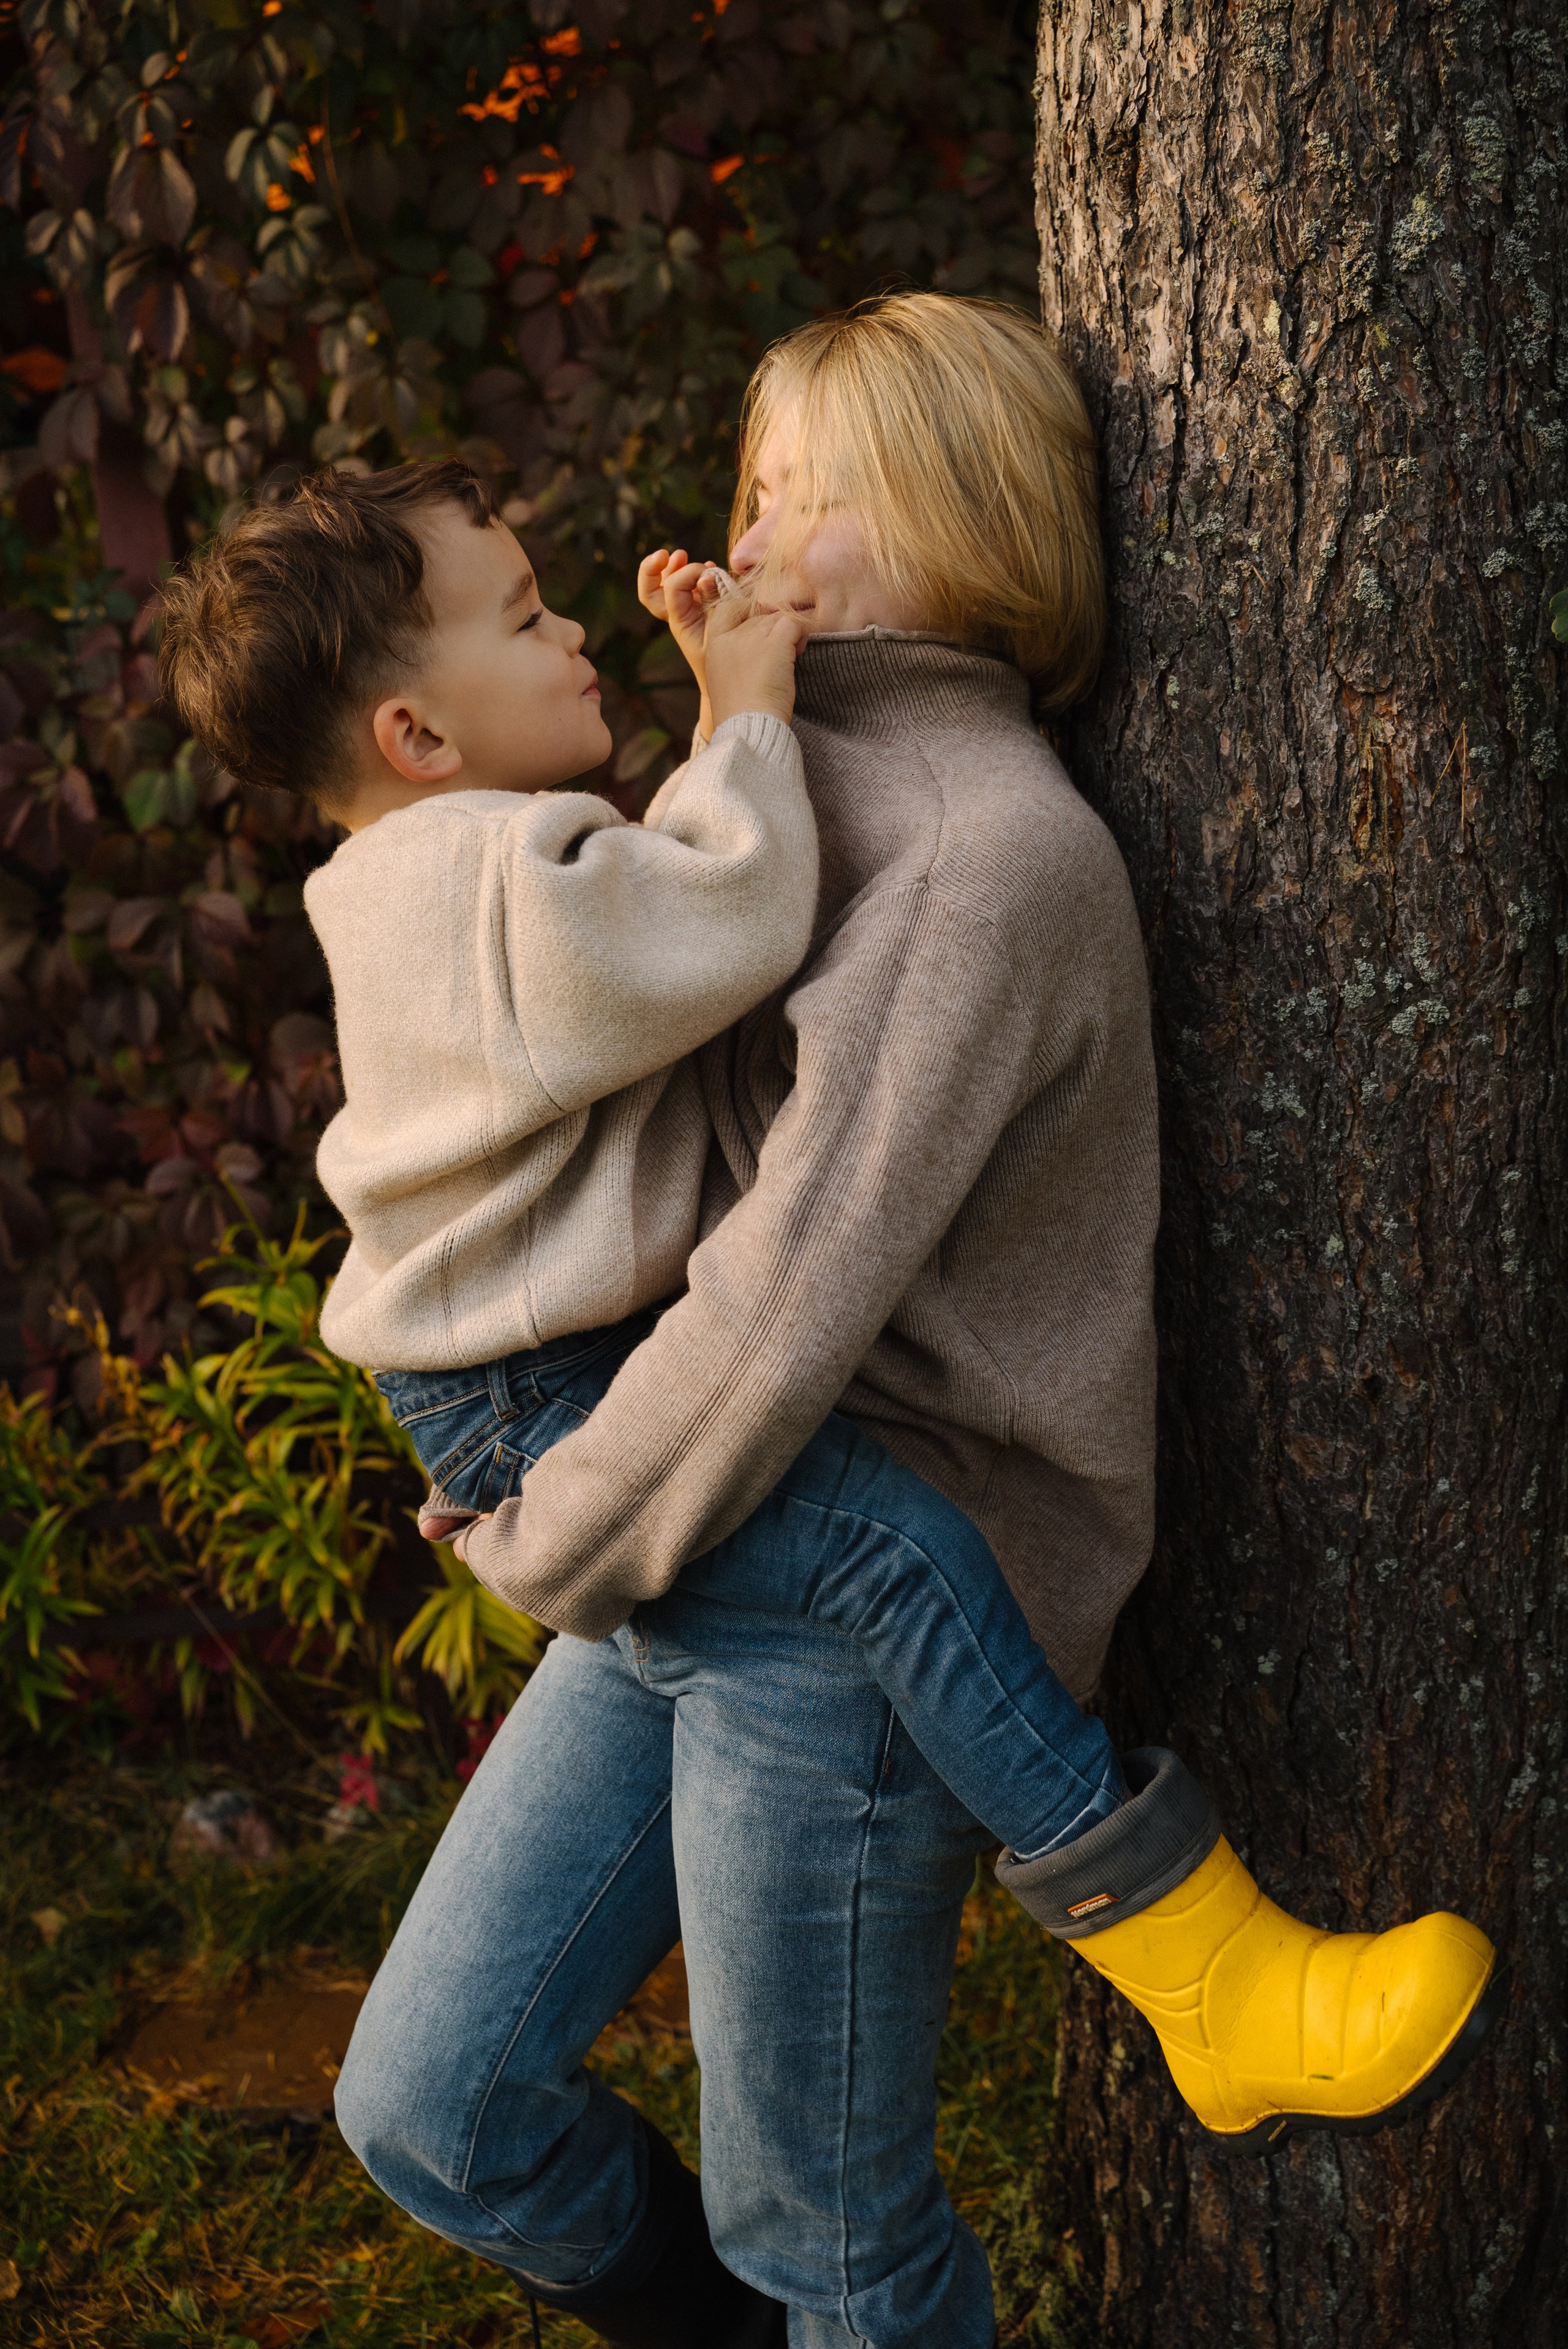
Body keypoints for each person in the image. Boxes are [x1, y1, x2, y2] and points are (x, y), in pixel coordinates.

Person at [156, 298, 1499, 2349]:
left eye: (810, 491)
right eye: (751, 480)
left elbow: (790, 1289)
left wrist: (570, 1516)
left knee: (826, 2242)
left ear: (964, 515)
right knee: (432, 2105)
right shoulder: (781, 771)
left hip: (860, 1581)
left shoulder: (975, 852)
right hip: (705, 1507)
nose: (749, 529)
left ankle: (1206, 1957)